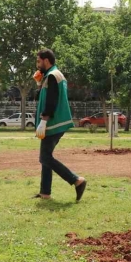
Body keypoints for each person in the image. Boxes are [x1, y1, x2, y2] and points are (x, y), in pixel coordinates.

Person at [33, 49, 87, 201]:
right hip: (55, 122)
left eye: (38, 61)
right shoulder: (53, 75)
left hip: (52, 123)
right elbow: (45, 97)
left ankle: (77, 180)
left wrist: (44, 120)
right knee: (46, 157)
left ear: (46, 60)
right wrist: (39, 83)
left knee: (45, 157)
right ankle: (45, 192)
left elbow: (52, 100)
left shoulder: (52, 76)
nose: (37, 65)